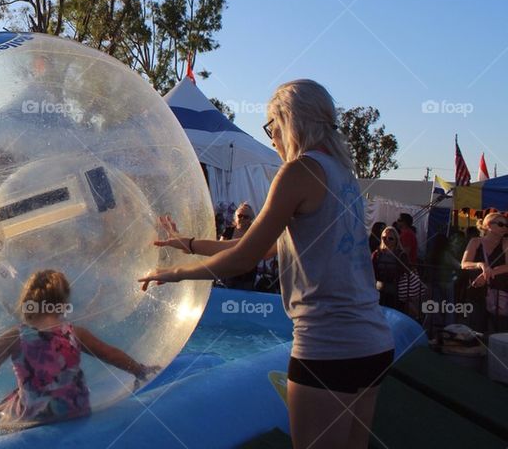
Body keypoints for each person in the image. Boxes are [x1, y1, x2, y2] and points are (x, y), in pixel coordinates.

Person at [139, 79, 394, 449]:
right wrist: (189, 244)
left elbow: (244, 258)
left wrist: (175, 273)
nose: (271, 136)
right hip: (372, 342)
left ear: (287, 121)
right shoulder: (343, 175)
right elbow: (263, 247)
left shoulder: (298, 172)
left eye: (270, 126)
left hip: (328, 344)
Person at [0, 269, 156, 430]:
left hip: (35, 416)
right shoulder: (75, 333)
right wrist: (139, 370)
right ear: (63, 303)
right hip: (75, 409)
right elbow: (110, 354)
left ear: (28, 301)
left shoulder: (13, 337)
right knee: (22, 393)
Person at [461, 212, 508, 334]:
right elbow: (464, 264)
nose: (505, 227)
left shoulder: (506, 243)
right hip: (478, 294)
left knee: (500, 332)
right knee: (477, 331)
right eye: (501, 224)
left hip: (500, 293)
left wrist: (487, 273)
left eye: (506, 225)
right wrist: (480, 264)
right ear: (488, 225)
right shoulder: (475, 242)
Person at [218, 203, 258, 290]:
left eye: (246, 217)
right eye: (240, 216)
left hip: (246, 274)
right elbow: (219, 248)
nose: (242, 218)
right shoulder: (228, 231)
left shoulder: (254, 233)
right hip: (228, 272)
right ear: (236, 217)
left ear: (251, 219)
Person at [371, 227, 410, 311]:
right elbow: (371, 269)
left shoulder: (401, 254)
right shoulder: (377, 253)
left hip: (395, 289)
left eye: (390, 238)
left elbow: (405, 271)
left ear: (396, 240)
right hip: (379, 288)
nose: (387, 240)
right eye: (384, 238)